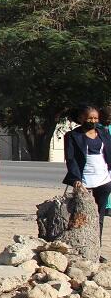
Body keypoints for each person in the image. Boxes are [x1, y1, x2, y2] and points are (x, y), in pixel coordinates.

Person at [63, 105, 111, 257]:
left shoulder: (103, 133)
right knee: (81, 217)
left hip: (104, 180)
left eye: (96, 118)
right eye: (90, 118)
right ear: (81, 118)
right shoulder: (72, 136)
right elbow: (71, 160)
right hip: (84, 182)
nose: (93, 121)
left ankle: (96, 250)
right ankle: (79, 249)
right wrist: (76, 179)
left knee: (99, 218)